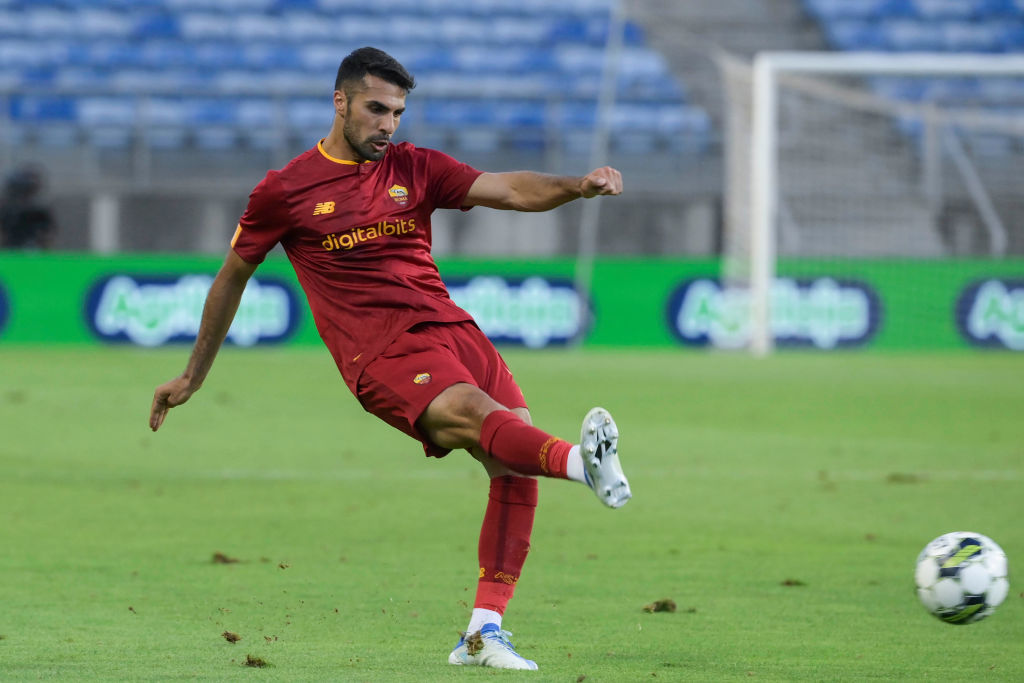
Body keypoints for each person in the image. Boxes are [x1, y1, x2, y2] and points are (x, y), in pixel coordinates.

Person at [149, 46, 631, 671]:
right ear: (340, 101)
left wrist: (577, 185)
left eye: (398, 113)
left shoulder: (416, 167)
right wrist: (193, 374)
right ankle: (579, 463)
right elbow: (230, 279)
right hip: (380, 351)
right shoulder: (285, 191)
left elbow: (509, 189)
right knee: (480, 417)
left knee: (510, 462)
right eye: (377, 109)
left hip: (456, 332)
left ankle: (484, 634)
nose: (388, 124)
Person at [0, 165, 56, 249]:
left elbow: (48, 234)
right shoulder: (7, 211)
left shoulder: (40, 211)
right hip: (11, 250)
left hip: (34, 251)